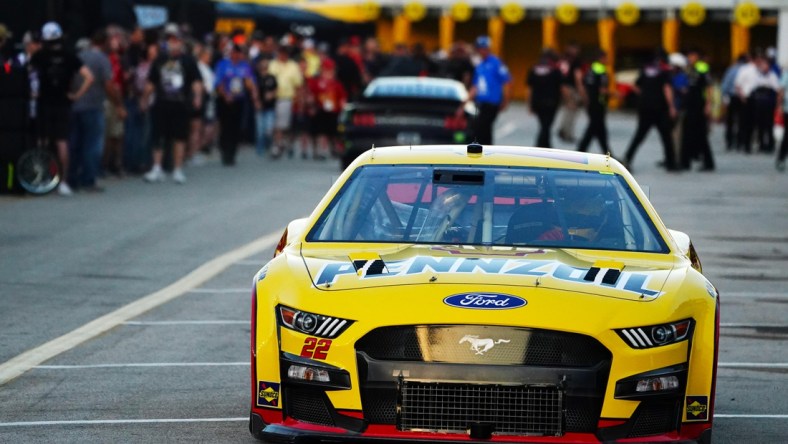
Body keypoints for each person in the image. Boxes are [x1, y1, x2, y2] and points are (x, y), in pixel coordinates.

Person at [30, 21, 94, 196]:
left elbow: (29, 75)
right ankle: (63, 182)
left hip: (44, 103)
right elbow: (89, 77)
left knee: (41, 140)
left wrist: (32, 94)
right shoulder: (69, 55)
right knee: (62, 142)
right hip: (63, 103)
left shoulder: (39, 56)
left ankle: (42, 178)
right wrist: (76, 95)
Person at [142, 24, 203, 184]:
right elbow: (151, 81)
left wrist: (197, 97)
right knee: (158, 136)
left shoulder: (188, 60)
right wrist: (144, 98)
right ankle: (156, 168)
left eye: (176, 40)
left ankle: (177, 169)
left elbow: (196, 81)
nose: (173, 42)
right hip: (162, 102)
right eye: (170, 40)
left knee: (179, 137)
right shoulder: (160, 59)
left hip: (180, 103)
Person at [70, 28, 124, 192]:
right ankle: (89, 179)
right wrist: (118, 104)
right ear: (104, 42)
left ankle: (72, 178)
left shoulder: (79, 56)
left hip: (75, 105)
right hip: (93, 106)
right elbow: (108, 85)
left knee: (75, 143)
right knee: (93, 145)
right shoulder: (102, 59)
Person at [623, 52, 677, 171]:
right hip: (660, 109)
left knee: (639, 135)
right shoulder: (664, 71)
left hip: (645, 107)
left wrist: (645, 95)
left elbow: (635, 86)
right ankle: (671, 163)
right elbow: (667, 89)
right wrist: (672, 106)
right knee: (666, 136)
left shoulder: (646, 69)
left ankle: (627, 158)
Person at [214, 43, 259, 166]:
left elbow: (250, 83)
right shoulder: (223, 64)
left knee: (235, 128)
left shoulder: (244, 66)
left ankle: (232, 154)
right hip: (225, 100)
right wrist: (225, 95)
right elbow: (218, 82)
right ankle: (224, 152)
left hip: (238, 100)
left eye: (239, 53)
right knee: (225, 127)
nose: (237, 55)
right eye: (235, 52)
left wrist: (254, 95)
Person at [466, 36, 511, 145]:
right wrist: (466, 101)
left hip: (492, 103)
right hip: (480, 103)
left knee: (484, 128)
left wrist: (505, 100)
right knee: (478, 129)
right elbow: (475, 86)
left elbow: (507, 82)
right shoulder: (479, 65)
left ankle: (487, 151)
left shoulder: (496, 63)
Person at [679, 49, 714, 171]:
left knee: (701, 135)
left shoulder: (702, 67)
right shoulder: (687, 68)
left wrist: (708, 104)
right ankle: (685, 162)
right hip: (689, 105)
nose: (690, 58)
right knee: (687, 134)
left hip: (699, 105)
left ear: (696, 56)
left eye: (692, 56)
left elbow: (709, 86)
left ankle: (708, 163)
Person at [268, 45, 303, 158]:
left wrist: (299, 100)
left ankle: (278, 145)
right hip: (270, 99)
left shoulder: (293, 66)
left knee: (281, 125)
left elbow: (298, 85)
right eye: (281, 52)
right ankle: (278, 144)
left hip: (285, 98)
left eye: (284, 53)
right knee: (271, 124)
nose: (282, 55)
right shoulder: (273, 64)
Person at [308, 58, 347, 160]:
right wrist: (311, 106)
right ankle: (320, 151)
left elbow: (342, 97)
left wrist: (343, 108)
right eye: (327, 70)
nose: (329, 72)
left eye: (331, 70)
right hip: (321, 111)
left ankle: (333, 149)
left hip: (333, 112)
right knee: (320, 133)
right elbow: (312, 95)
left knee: (333, 132)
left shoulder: (336, 84)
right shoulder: (317, 83)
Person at [576, 50, 613, 156]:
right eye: (606, 58)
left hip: (591, 103)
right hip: (598, 104)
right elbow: (602, 89)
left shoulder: (590, 69)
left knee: (599, 130)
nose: (608, 60)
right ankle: (580, 152)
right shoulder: (601, 71)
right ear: (601, 58)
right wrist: (615, 94)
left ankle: (607, 153)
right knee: (594, 129)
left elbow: (583, 86)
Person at [527, 49, 562, 148]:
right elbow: (561, 87)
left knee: (544, 125)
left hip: (537, 102)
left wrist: (529, 104)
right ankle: (540, 145)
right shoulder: (555, 70)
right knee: (546, 126)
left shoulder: (534, 69)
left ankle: (546, 145)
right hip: (551, 102)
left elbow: (530, 89)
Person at [721, 54, 748, 151]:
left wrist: (723, 98)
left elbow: (725, 85)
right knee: (742, 121)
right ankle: (740, 142)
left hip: (732, 97)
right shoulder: (747, 70)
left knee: (730, 121)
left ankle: (729, 142)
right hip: (743, 98)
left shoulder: (732, 70)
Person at [557, 43, 582, 143]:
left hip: (562, 87)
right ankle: (568, 133)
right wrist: (581, 90)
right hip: (571, 88)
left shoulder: (563, 59)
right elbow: (577, 77)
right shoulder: (575, 61)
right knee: (572, 111)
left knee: (567, 110)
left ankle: (563, 129)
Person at [254, 57, 277, 157]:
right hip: (260, 106)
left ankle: (269, 146)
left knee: (268, 129)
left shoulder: (271, 77)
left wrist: (272, 94)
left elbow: (276, 89)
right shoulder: (256, 78)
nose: (264, 67)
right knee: (260, 130)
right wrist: (256, 101)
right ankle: (260, 148)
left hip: (270, 107)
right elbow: (253, 91)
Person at [778, 68, 788, 171]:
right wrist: (780, 106)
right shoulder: (787, 75)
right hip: (787, 109)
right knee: (786, 135)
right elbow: (781, 90)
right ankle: (781, 158)